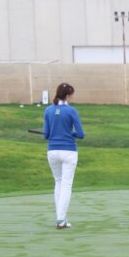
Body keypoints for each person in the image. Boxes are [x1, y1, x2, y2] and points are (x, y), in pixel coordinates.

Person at [43, 82, 85, 228]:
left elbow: (46, 135)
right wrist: (70, 132)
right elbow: (80, 134)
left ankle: (60, 218)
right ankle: (61, 219)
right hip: (68, 151)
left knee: (58, 182)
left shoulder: (48, 110)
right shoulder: (71, 111)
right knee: (66, 185)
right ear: (67, 95)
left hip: (52, 151)